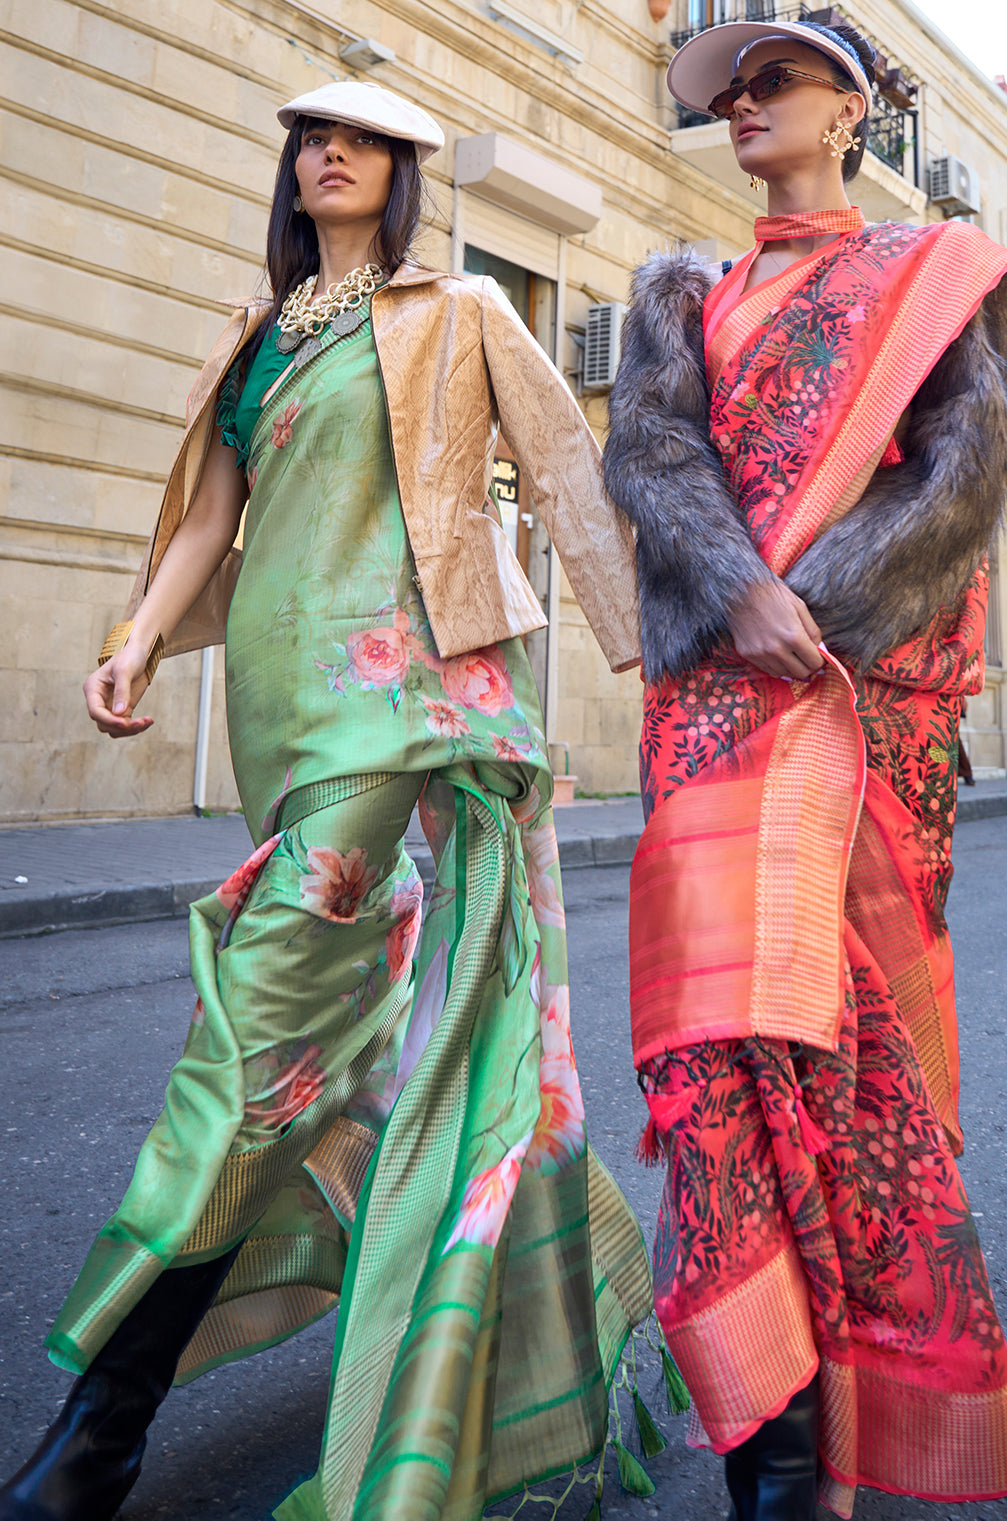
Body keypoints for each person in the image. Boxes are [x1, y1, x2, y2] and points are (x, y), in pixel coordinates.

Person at [1, 80, 652, 1521]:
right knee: (306, 1045)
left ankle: (99, 1428)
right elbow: (212, 517)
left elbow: (563, 473)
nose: (327, 152)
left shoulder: (461, 313)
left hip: (402, 705)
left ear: (407, 174)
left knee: (246, 1044)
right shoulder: (257, 333)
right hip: (279, 711)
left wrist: (662, 664)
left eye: (358, 139)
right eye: (308, 138)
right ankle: (403, 1273)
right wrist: (130, 639)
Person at [603, 19, 1007, 1521]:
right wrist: (737, 590)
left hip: (855, 708)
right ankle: (773, 1468)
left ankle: (834, 1452)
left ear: (851, 111)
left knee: (845, 1071)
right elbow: (655, 470)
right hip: (714, 712)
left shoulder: (933, 278)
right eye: (729, 91)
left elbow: (966, 479)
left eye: (775, 81)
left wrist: (823, 606)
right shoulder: (683, 293)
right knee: (715, 1065)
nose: (743, 105)